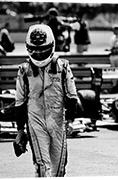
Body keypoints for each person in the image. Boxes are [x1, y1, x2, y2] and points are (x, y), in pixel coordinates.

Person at [14, 24, 78, 177]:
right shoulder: (24, 70)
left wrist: (70, 120)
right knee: (43, 165)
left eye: (43, 50)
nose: (39, 53)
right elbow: (19, 101)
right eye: (35, 50)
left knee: (59, 167)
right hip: (35, 122)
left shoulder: (62, 67)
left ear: (51, 46)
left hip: (57, 121)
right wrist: (20, 130)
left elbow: (72, 95)